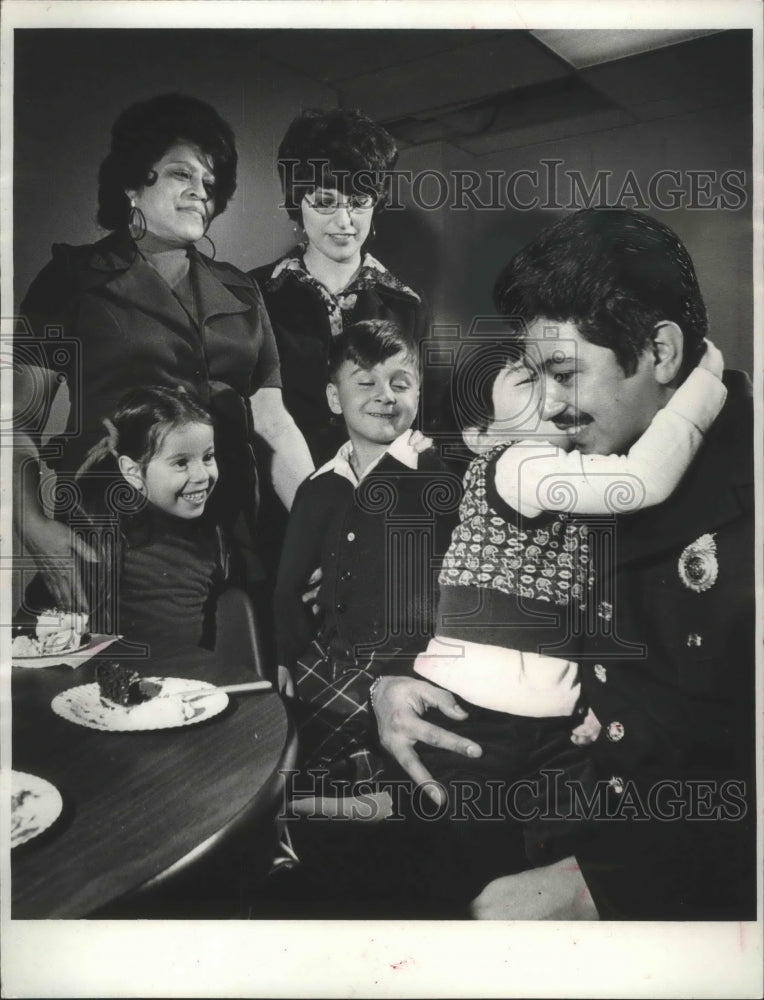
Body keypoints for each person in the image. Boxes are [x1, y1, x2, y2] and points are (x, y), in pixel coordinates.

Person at [371, 208, 756, 921]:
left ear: (662, 353)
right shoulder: (566, 450)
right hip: (526, 795)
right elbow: (441, 549)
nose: (549, 404)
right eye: (532, 374)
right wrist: (394, 670)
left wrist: (602, 886)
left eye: (565, 373)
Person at [398, 336, 726, 903]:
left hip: (554, 727)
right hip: (470, 718)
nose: (552, 392)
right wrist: (707, 378)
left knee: (556, 854)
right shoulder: (517, 466)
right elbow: (644, 479)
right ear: (482, 437)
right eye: (528, 382)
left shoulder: (575, 478)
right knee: (452, 866)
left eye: (558, 376)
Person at [13, 93, 313, 620]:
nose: (201, 192)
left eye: (210, 182)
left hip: (228, 549)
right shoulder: (71, 279)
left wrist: (320, 529)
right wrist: (36, 527)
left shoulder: (241, 291)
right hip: (108, 545)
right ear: (132, 182)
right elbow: (14, 422)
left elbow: (275, 423)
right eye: (181, 174)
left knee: (230, 692)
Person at [274, 320, 459, 793]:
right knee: (279, 753)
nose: (385, 395)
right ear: (335, 399)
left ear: (419, 393)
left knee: (373, 772)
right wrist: (281, 657)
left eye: (401, 383)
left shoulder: (438, 477)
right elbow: (290, 586)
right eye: (366, 383)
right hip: (327, 657)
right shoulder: (318, 487)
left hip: (406, 664)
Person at [251, 107, 429, 468]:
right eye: (325, 202)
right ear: (296, 205)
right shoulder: (254, 294)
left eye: (359, 202)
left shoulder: (407, 306)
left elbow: (419, 423)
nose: (344, 221)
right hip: (280, 499)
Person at [74, 385, 226, 652]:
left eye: (208, 457)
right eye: (181, 463)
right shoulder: (100, 533)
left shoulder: (212, 536)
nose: (202, 475)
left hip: (190, 682)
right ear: (132, 471)